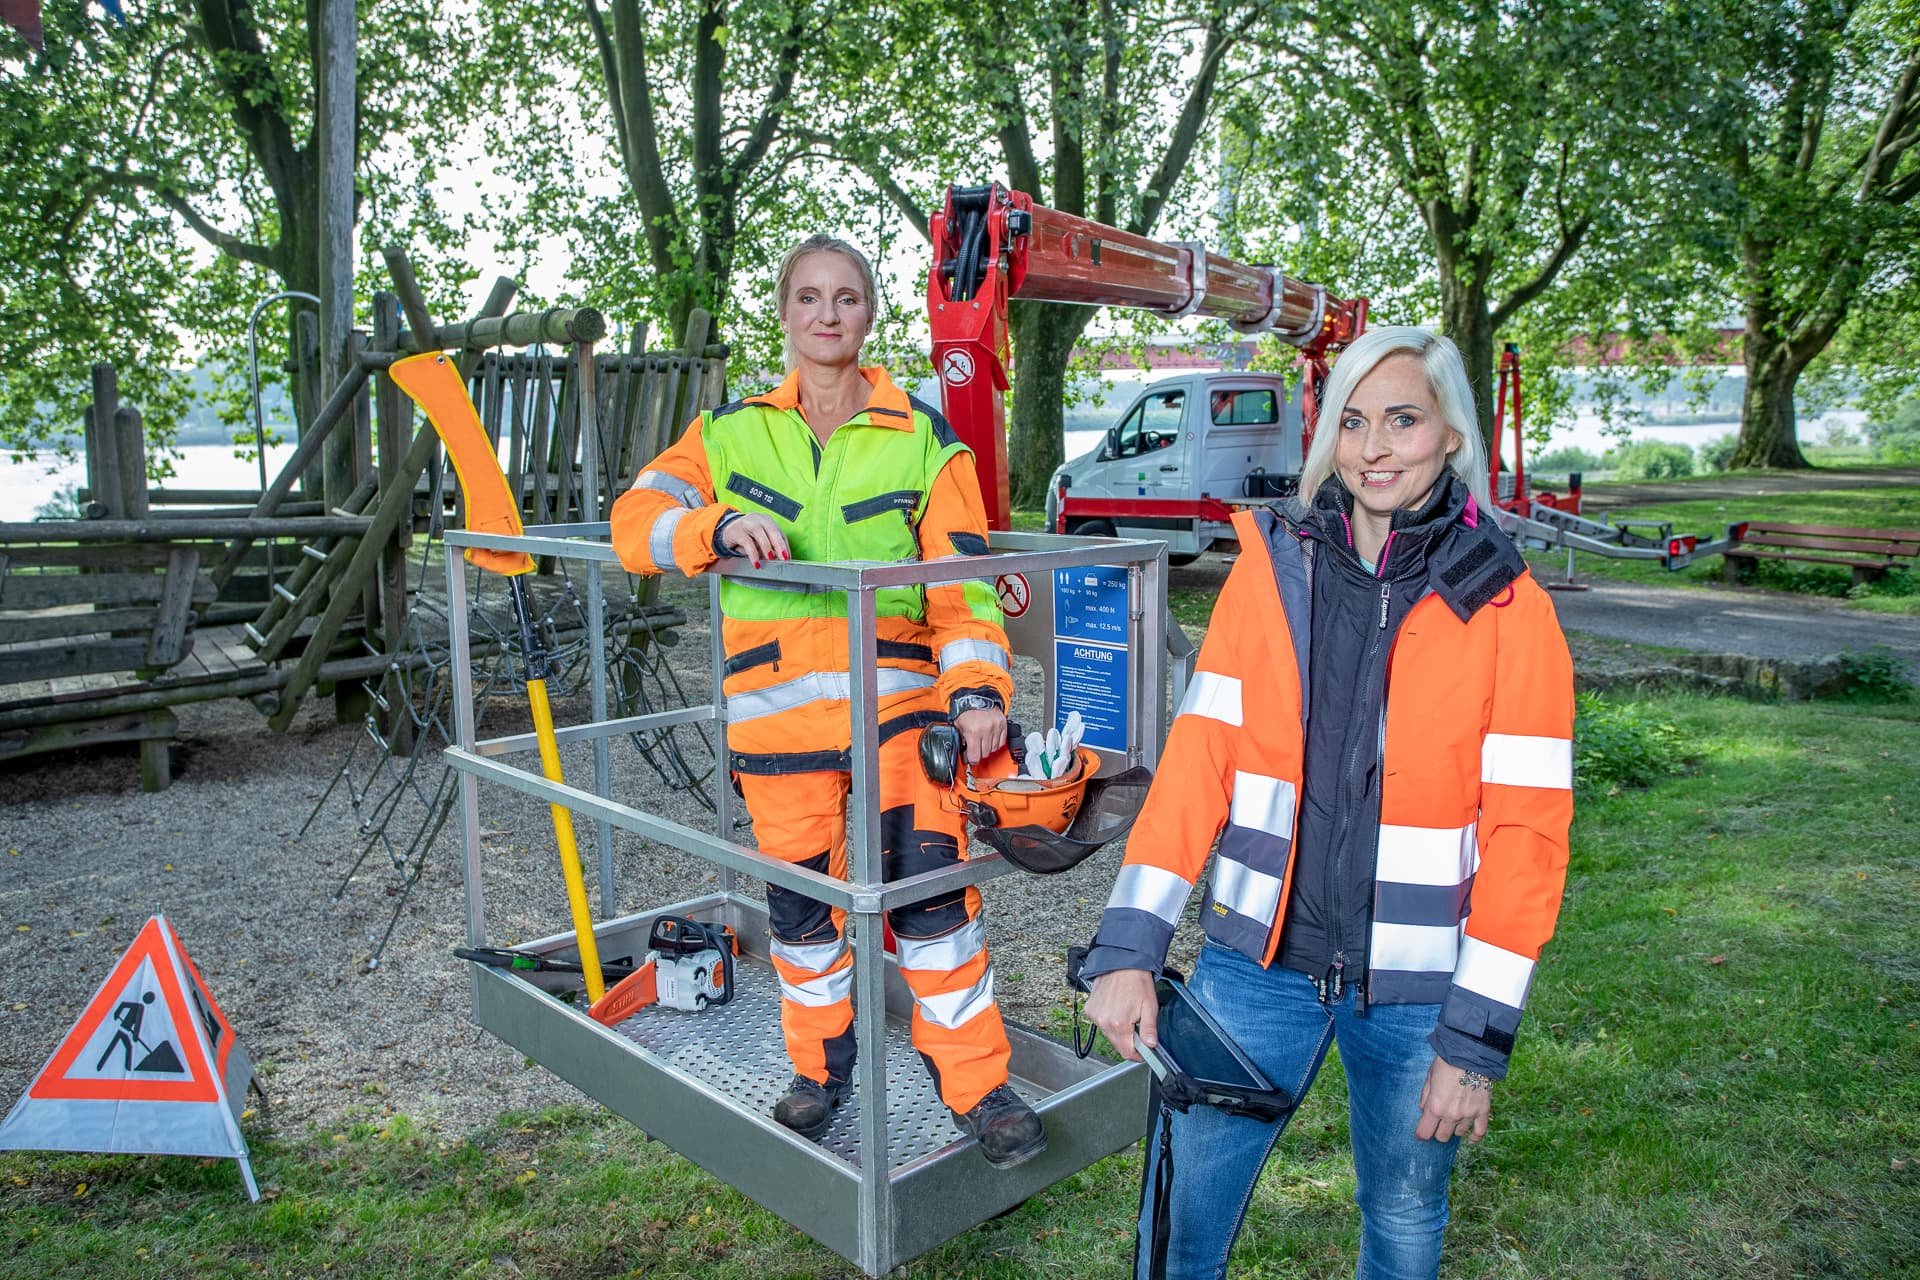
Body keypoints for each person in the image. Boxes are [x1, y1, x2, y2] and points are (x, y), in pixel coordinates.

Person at [1081, 325, 1574, 1278]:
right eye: (1353, 422)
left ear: (1452, 439)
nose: (1375, 447)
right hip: (1253, 971)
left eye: (1403, 420)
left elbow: (1528, 841)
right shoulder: (1272, 570)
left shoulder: (1510, 609)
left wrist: (1471, 1047)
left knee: (1402, 1218)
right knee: (1185, 1215)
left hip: (1418, 995)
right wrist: (1129, 950)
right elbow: (1197, 766)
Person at [610, 234, 1045, 1168]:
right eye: (808, 297)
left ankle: (976, 1084)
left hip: (904, 714)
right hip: (778, 722)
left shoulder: (925, 437)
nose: (827, 314)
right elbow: (633, 524)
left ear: (870, 314)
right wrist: (711, 524)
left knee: (933, 903)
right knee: (805, 919)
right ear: (784, 311)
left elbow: (964, 587)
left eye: (845, 297)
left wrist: (975, 690)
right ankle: (820, 1072)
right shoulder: (724, 435)